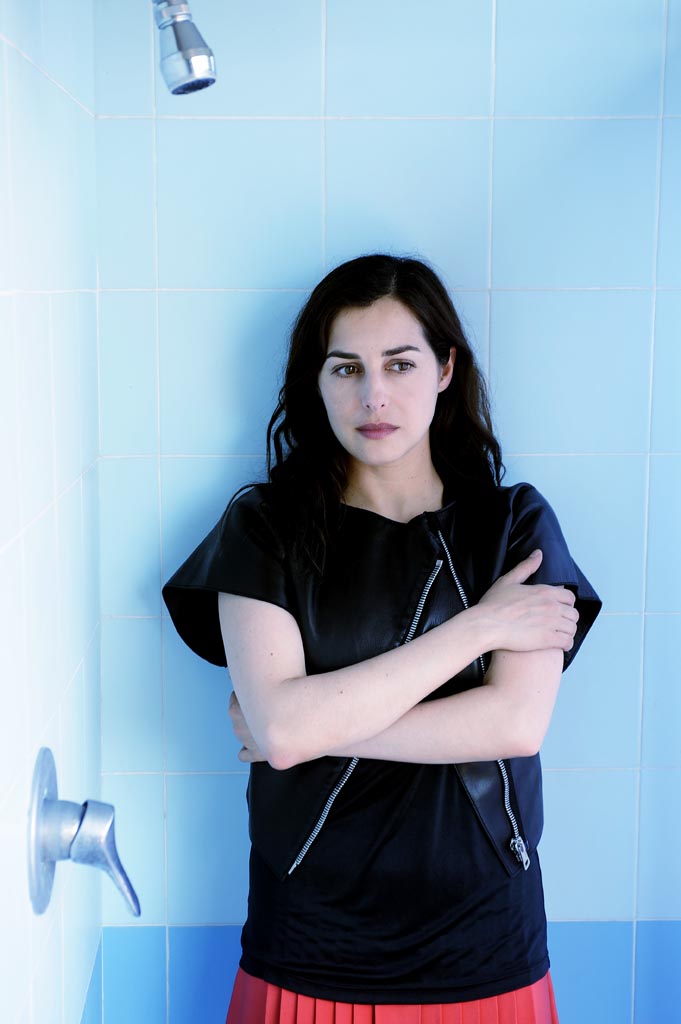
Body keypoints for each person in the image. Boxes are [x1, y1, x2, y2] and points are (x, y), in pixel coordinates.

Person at [162, 254, 602, 1024]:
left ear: (443, 369)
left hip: (485, 946)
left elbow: (513, 725)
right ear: (316, 380)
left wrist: (309, 728)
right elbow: (283, 726)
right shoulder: (263, 528)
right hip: (306, 947)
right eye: (346, 369)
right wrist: (481, 626)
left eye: (400, 364)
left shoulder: (514, 528)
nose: (373, 395)